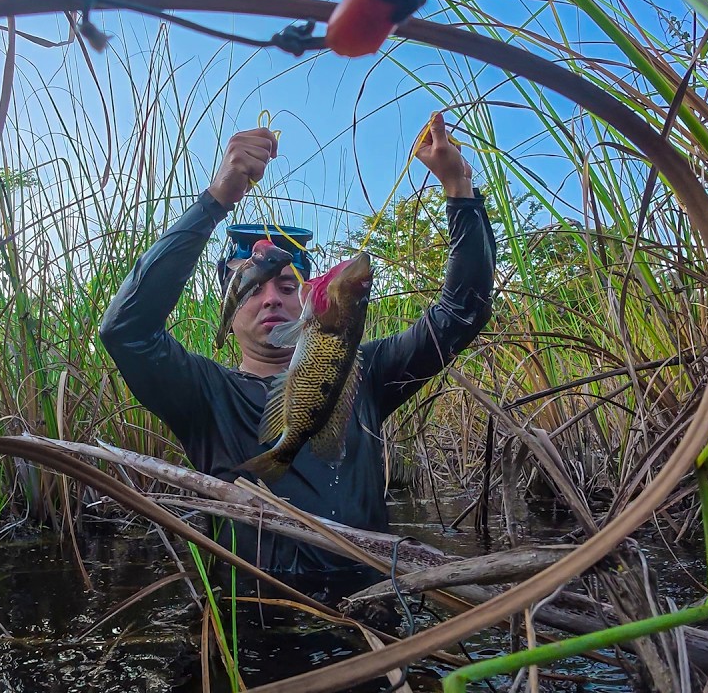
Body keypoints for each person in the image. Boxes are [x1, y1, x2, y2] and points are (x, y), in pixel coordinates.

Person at [99, 113, 496, 593]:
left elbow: (460, 314)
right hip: (251, 619)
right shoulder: (203, 395)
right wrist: (216, 199)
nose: (271, 298)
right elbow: (126, 330)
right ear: (228, 311)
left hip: (370, 605)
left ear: (309, 299)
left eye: (287, 286)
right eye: (251, 291)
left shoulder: (363, 372)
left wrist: (459, 187)